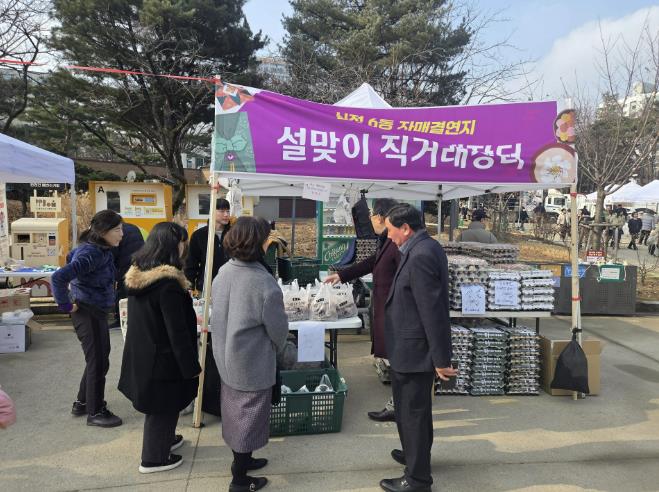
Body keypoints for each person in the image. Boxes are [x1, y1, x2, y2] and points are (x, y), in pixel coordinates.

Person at [380, 204, 456, 492]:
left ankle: (417, 479)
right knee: (413, 413)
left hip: (414, 351)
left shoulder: (422, 254)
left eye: (391, 230)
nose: (389, 236)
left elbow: (432, 311)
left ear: (406, 228)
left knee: (413, 415)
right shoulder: (422, 247)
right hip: (409, 348)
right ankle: (416, 456)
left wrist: (441, 359)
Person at [211, 216, 289, 492]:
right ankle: (240, 479)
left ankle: (243, 462)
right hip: (252, 361)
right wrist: (281, 349)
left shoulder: (224, 271)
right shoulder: (263, 282)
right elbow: (278, 330)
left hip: (225, 356)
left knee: (236, 415)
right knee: (249, 419)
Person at [118, 222, 201, 474]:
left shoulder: (141, 275)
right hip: (163, 357)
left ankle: (166, 439)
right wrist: (191, 366)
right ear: (172, 245)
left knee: (163, 404)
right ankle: (153, 458)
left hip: (145, 352)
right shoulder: (167, 285)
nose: (184, 246)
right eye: (182, 242)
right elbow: (177, 331)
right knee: (162, 406)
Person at [324, 198, 400, 422]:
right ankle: (399, 404)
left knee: (399, 360)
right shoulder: (386, 240)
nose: (370, 220)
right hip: (385, 308)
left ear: (381, 217)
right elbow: (371, 262)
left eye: (372, 215)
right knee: (394, 359)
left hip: (395, 311)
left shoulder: (397, 243)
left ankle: (399, 406)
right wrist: (342, 275)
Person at [52, 210, 124, 427]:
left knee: (98, 358)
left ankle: (83, 402)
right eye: (117, 230)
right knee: (98, 361)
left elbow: (70, 258)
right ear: (102, 232)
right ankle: (95, 411)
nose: (122, 234)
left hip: (95, 310)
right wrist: (66, 304)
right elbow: (59, 277)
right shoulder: (91, 252)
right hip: (87, 311)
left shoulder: (99, 249)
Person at [184, 198, 232, 292]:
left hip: (231, 286)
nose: (226, 214)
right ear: (212, 212)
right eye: (222, 211)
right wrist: (189, 286)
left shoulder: (234, 234)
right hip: (207, 287)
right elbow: (191, 263)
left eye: (228, 211)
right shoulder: (199, 235)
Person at [111, 221, 145, 328]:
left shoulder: (115, 231)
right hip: (139, 263)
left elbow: (114, 252)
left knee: (122, 292)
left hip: (125, 265)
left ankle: (121, 319)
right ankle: (135, 318)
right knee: (135, 291)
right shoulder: (133, 227)